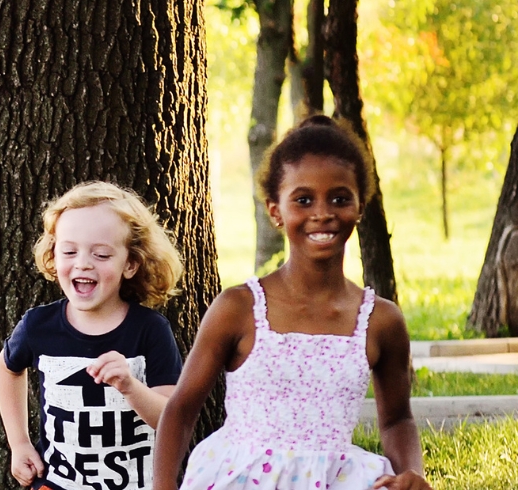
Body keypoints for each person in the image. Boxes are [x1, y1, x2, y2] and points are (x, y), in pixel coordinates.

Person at [152, 116, 429, 490]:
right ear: (275, 211)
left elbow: (397, 419)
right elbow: (181, 409)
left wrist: (412, 472)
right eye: (303, 199)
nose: (323, 212)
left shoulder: (381, 320)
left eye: (340, 198)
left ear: (360, 206)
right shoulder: (239, 307)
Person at [0, 181, 187, 490]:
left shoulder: (150, 330)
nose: (82, 262)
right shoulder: (38, 325)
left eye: (100, 254)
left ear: (130, 264)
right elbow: (7, 368)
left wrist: (130, 386)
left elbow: (172, 420)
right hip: (58, 483)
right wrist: (19, 443)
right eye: (69, 251)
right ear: (53, 256)